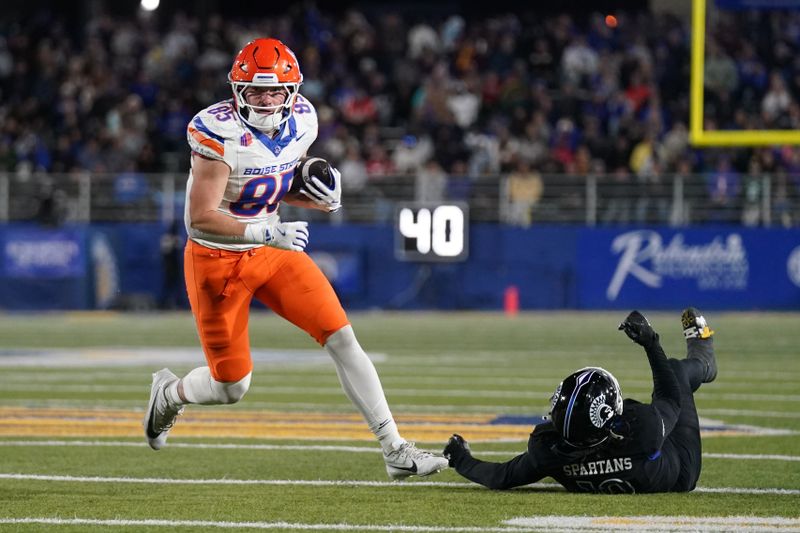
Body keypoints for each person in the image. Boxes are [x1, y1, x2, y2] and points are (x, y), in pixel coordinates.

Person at [143, 38, 448, 480]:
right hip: (217, 259)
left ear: (291, 92)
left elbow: (276, 181)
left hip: (271, 250)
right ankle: (169, 394)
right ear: (237, 90)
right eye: (254, 91)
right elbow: (200, 218)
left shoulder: (303, 119)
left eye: (273, 92)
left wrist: (318, 195)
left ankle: (395, 449)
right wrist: (266, 229)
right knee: (231, 386)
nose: (265, 101)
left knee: (341, 337)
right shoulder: (216, 132)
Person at [443, 307, 717, 493]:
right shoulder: (641, 431)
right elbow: (670, 398)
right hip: (679, 469)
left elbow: (501, 476)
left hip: (625, 455)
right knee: (676, 371)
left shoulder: (549, 453)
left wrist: (460, 459)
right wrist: (651, 343)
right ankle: (704, 358)